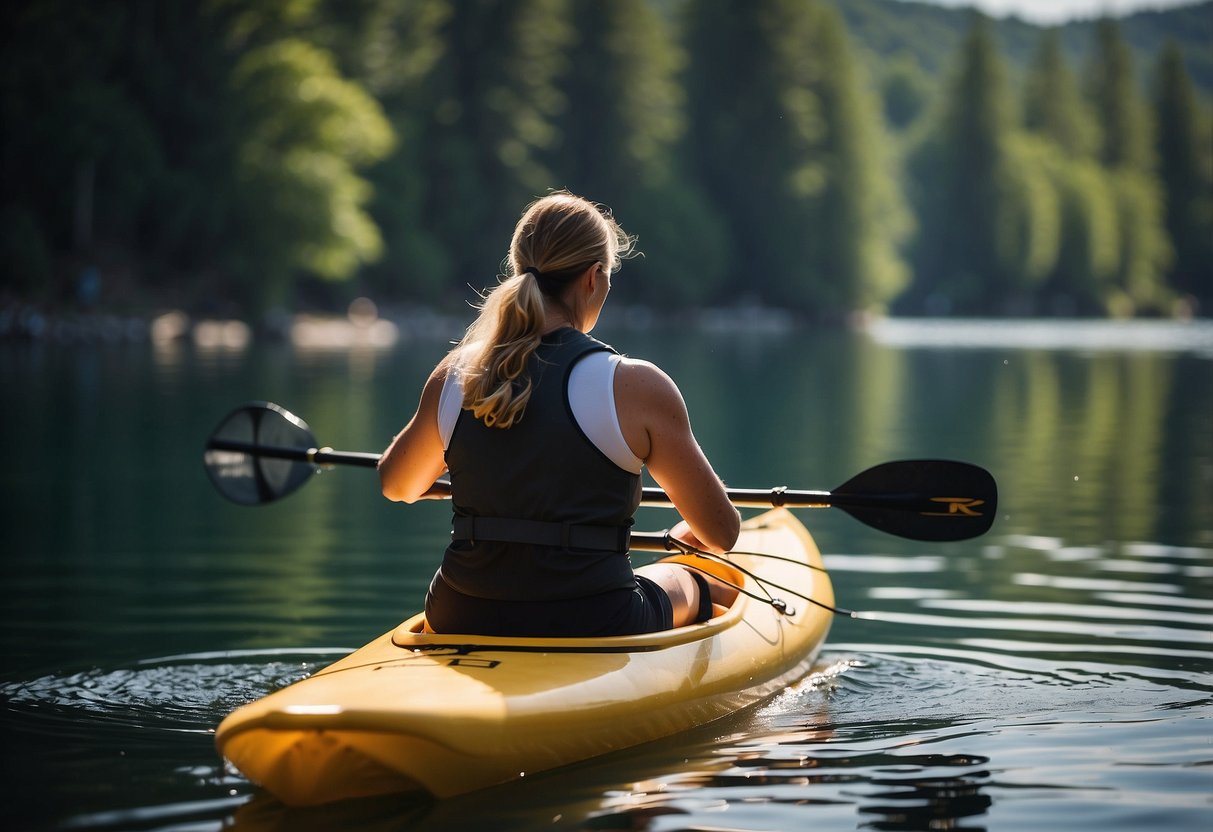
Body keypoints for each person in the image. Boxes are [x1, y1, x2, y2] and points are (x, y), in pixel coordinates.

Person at [379, 191, 739, 637]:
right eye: (607, 278)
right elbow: (722, 532)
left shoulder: (458, 373)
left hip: (461, 611)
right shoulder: (636, 385)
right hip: (595, 618)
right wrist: (689, 534)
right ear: (593, 278)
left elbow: (397, 485)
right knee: (703, 577)